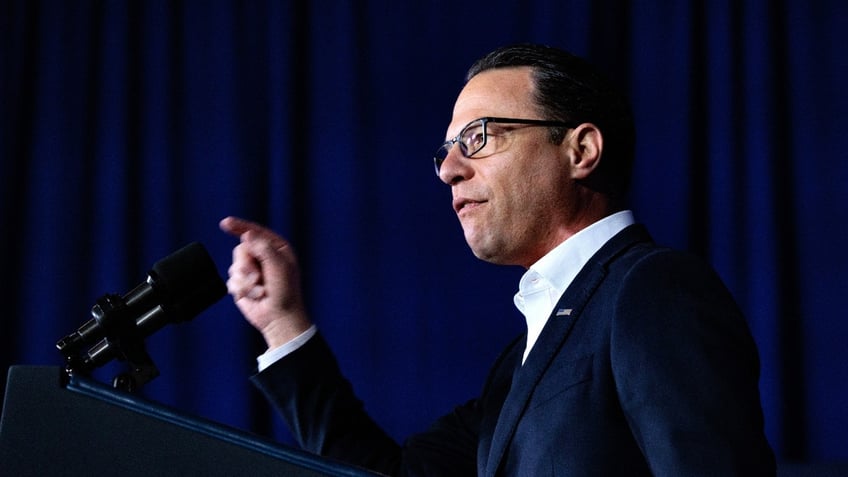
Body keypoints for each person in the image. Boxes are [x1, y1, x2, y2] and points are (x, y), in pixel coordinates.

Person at [219, 44, 775, 476]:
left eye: (479, 138)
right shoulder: (518, 365)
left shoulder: (653, 288)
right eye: (446, 150)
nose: (449, 170)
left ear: (581, 151)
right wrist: (282, 325)